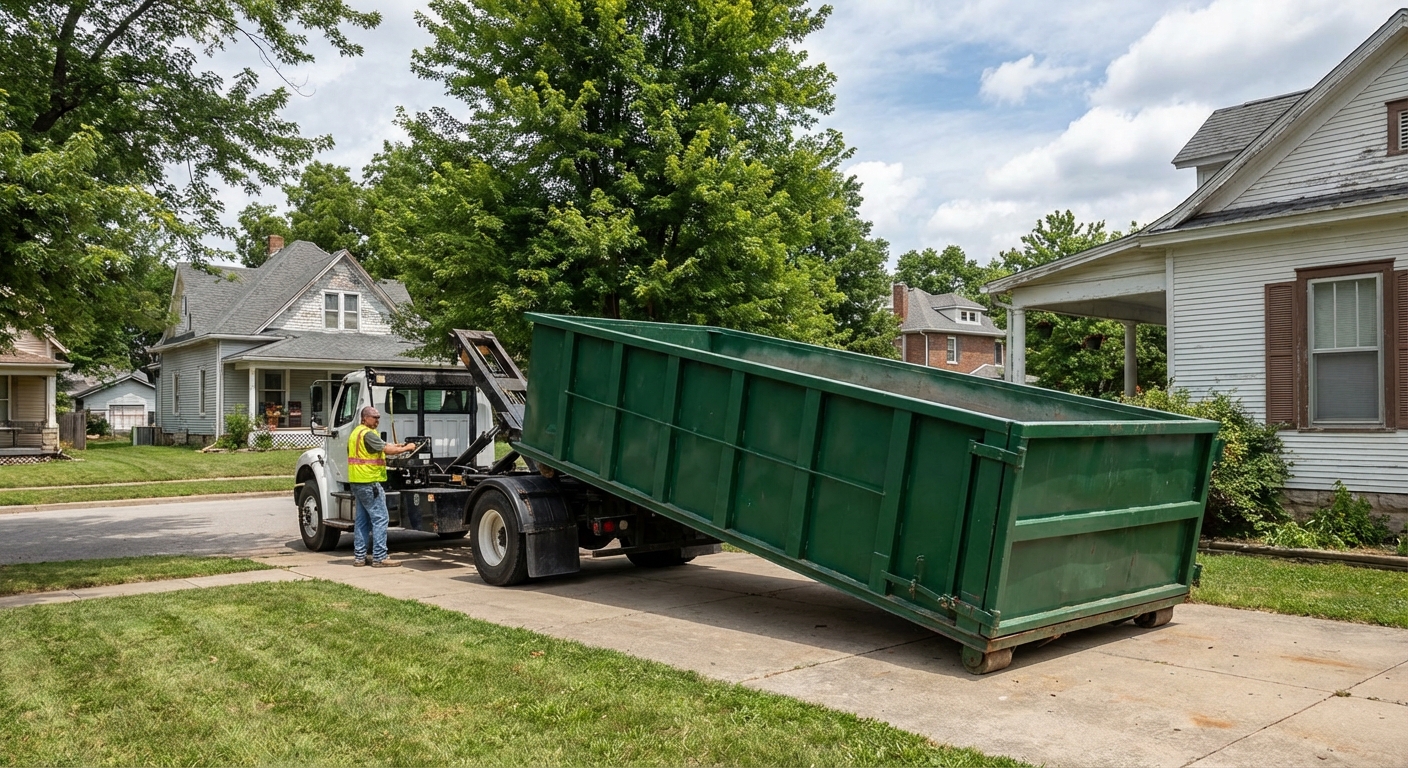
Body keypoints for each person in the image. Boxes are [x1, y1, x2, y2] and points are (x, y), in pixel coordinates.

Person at [349, 405, 418, 567]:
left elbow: (383, 446)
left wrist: (399, 446)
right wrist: (408, 448)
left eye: (379, 417)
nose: (377, 420)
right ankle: (380, 557)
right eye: (374, 417)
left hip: (357, 481)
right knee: (380, 518)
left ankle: (359, 557)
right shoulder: (368, 434)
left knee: (362, 520)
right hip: (369, 482)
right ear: (365, 418)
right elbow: (386, 450)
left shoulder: (356, 433)